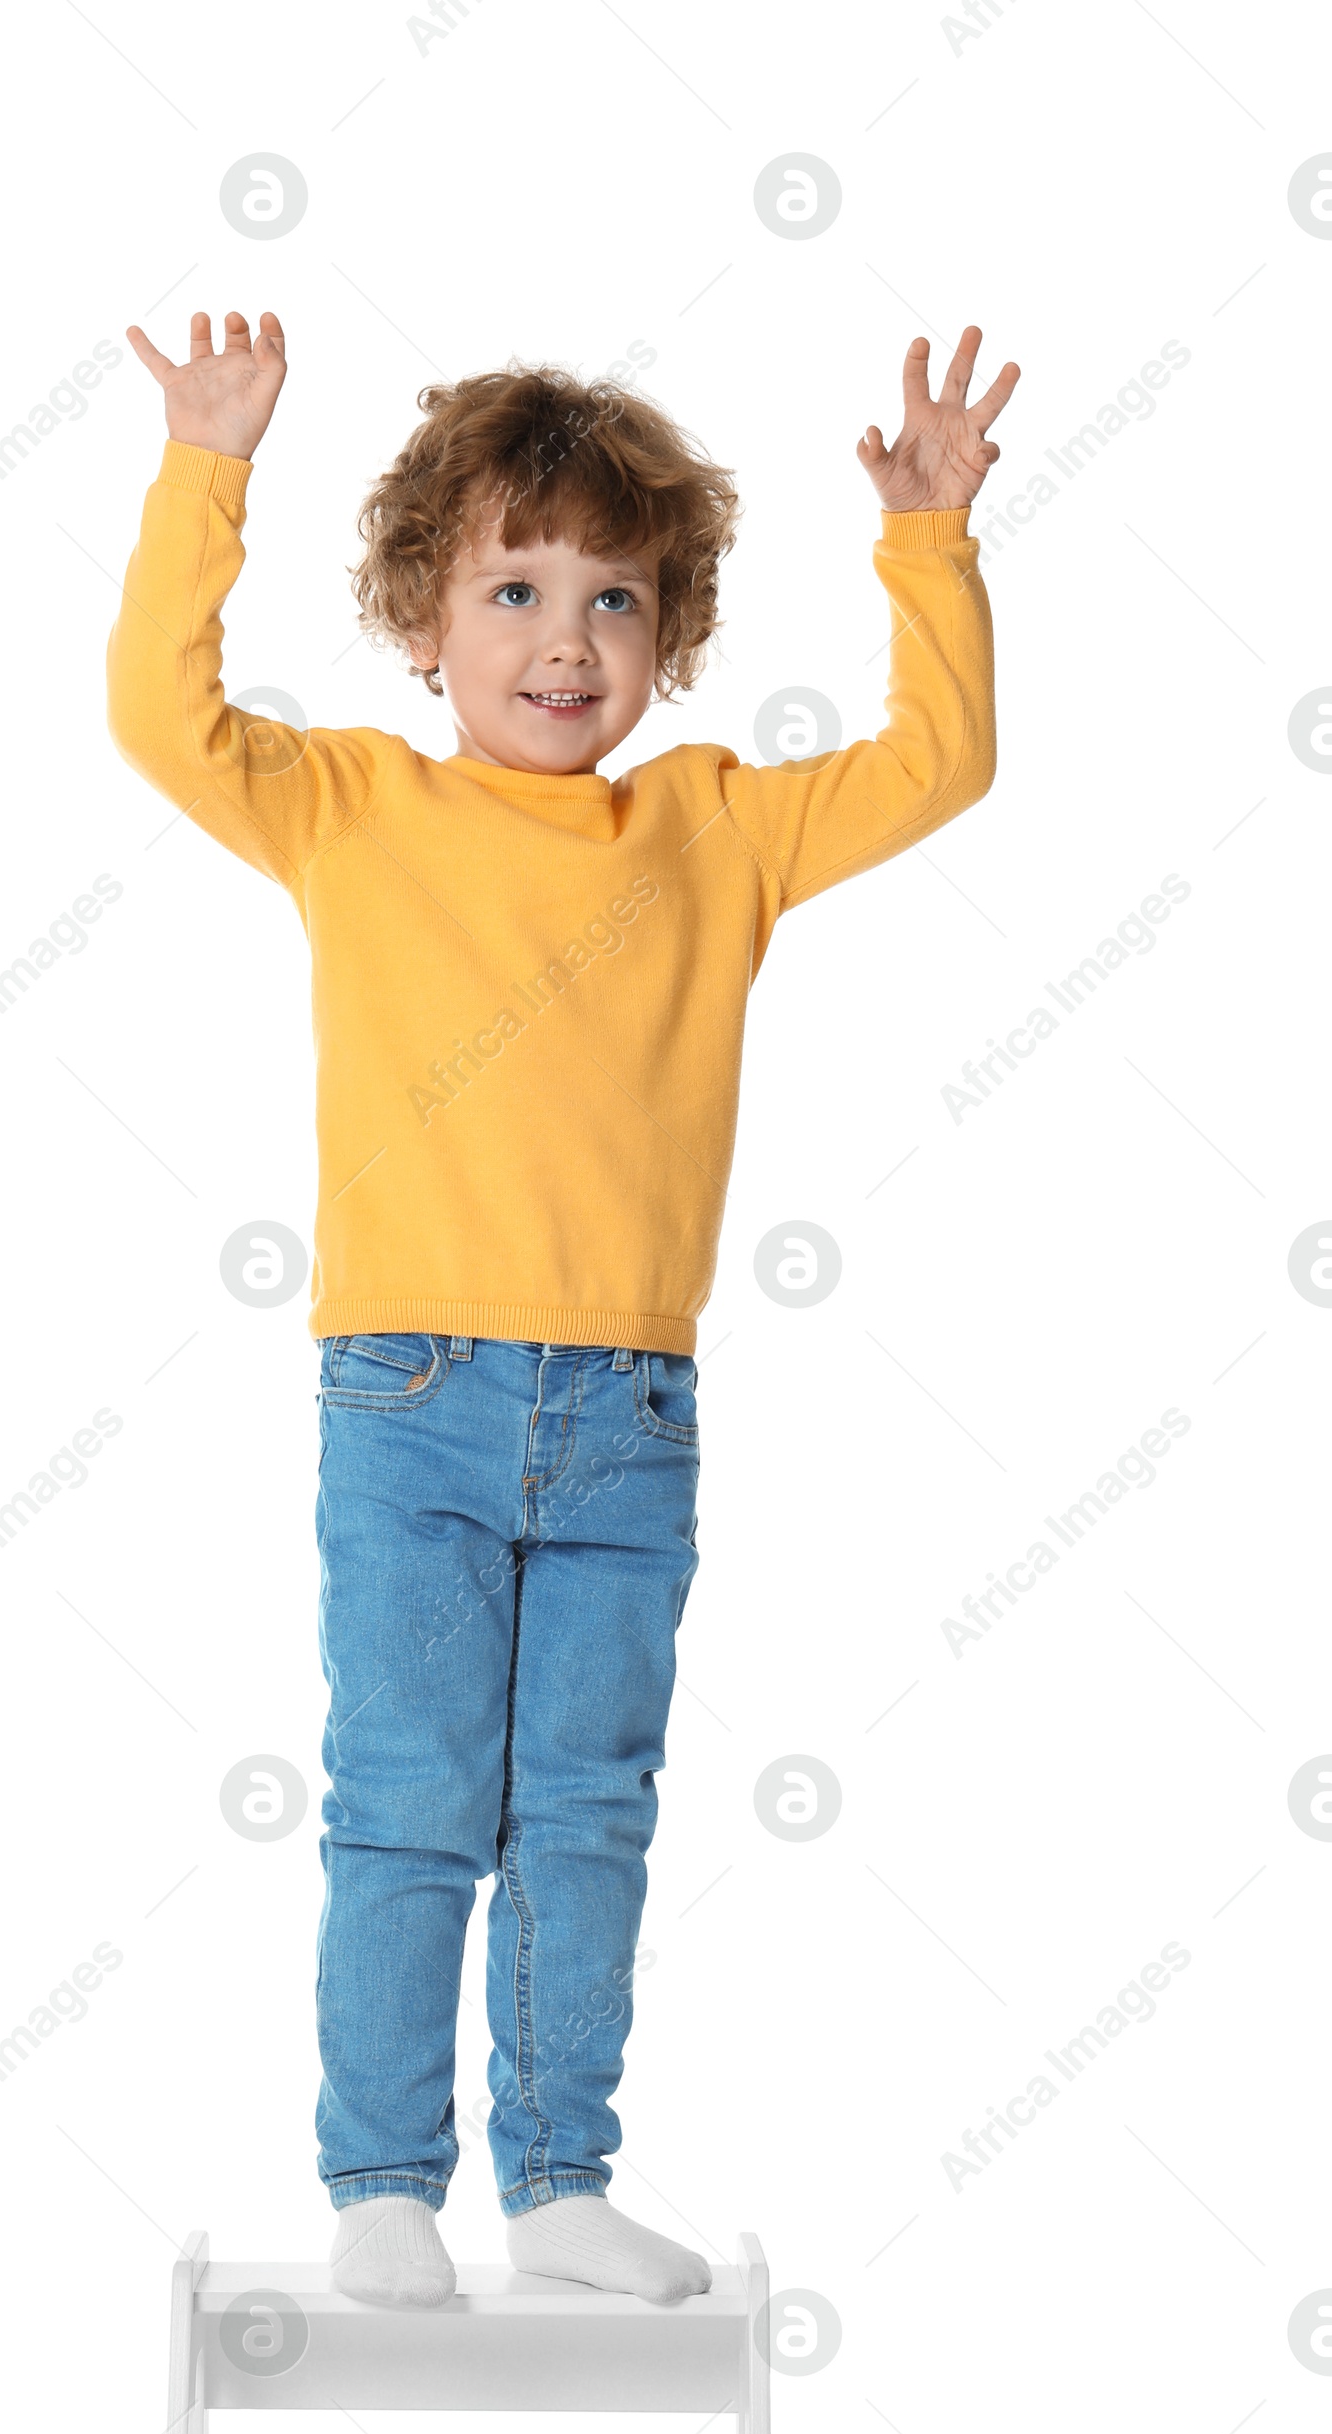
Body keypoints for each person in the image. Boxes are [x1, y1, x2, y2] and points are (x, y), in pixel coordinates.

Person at [107, 312, 1017, 2306]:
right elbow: (163, 726)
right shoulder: (350, 808)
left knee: (586, 1816)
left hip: (624, 1413)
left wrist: (926, 545)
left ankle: (556, 2181)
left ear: (667, 634)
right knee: (412, 1800)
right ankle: (376, 2189)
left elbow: (938, 764)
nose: (562, 635)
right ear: (424, 621)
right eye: (512, 587)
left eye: (614, 596)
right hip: (408, 1397)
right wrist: (205, 478)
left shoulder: (708, 826)